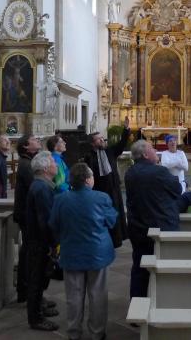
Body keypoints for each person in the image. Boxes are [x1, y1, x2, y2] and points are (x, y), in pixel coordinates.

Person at [49, 163, 117, 340]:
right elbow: (111, 221)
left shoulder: (60, 199)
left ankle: (74, 332)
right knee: (98, 294)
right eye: (92, 176)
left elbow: (54, 224)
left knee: (73, 296)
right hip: (98, 253)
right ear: (87, 180)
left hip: (71, 252)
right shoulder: (101, 198)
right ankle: (97, 332)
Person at [125, 139, 181, 298]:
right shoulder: (159, 172)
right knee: (162, 265)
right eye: (152, 148)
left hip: (138, 227)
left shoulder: (130, 172)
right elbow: (177, 189)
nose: (156, 150)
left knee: (139, 266)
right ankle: (163, 300)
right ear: (145, 154)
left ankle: (137, 301)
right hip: (160, 227)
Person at [26, 151, 60, 332]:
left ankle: (39, 308)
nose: (56, 165)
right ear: (46, 168)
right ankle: (36, 318)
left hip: (38, 240)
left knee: (40, 279)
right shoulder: (41, 188)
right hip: (39, 242)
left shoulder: (42, 185)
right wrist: (53, 244)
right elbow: (46, 220)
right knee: (37, 280)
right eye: (53, 163)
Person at [85, 117, 130, 248]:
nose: (102, 140)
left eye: (102, 138)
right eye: (99, 139)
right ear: (92, 143)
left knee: (115, 214)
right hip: (100, 190)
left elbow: (121, 144)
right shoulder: (89, 156)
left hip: (113, 189)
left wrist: (126, 129)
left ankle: (117, 240)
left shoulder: (109, 151)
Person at [13, 134, 42, 303]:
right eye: (34, 139)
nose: (38, 140)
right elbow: (36, 186)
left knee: (29, 252)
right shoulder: (26, 164)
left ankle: (26, 291)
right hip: (27, 215)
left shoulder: (28, 162)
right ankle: (26, 291)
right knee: (30, 254)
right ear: (25, 146)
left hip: (27, 214)